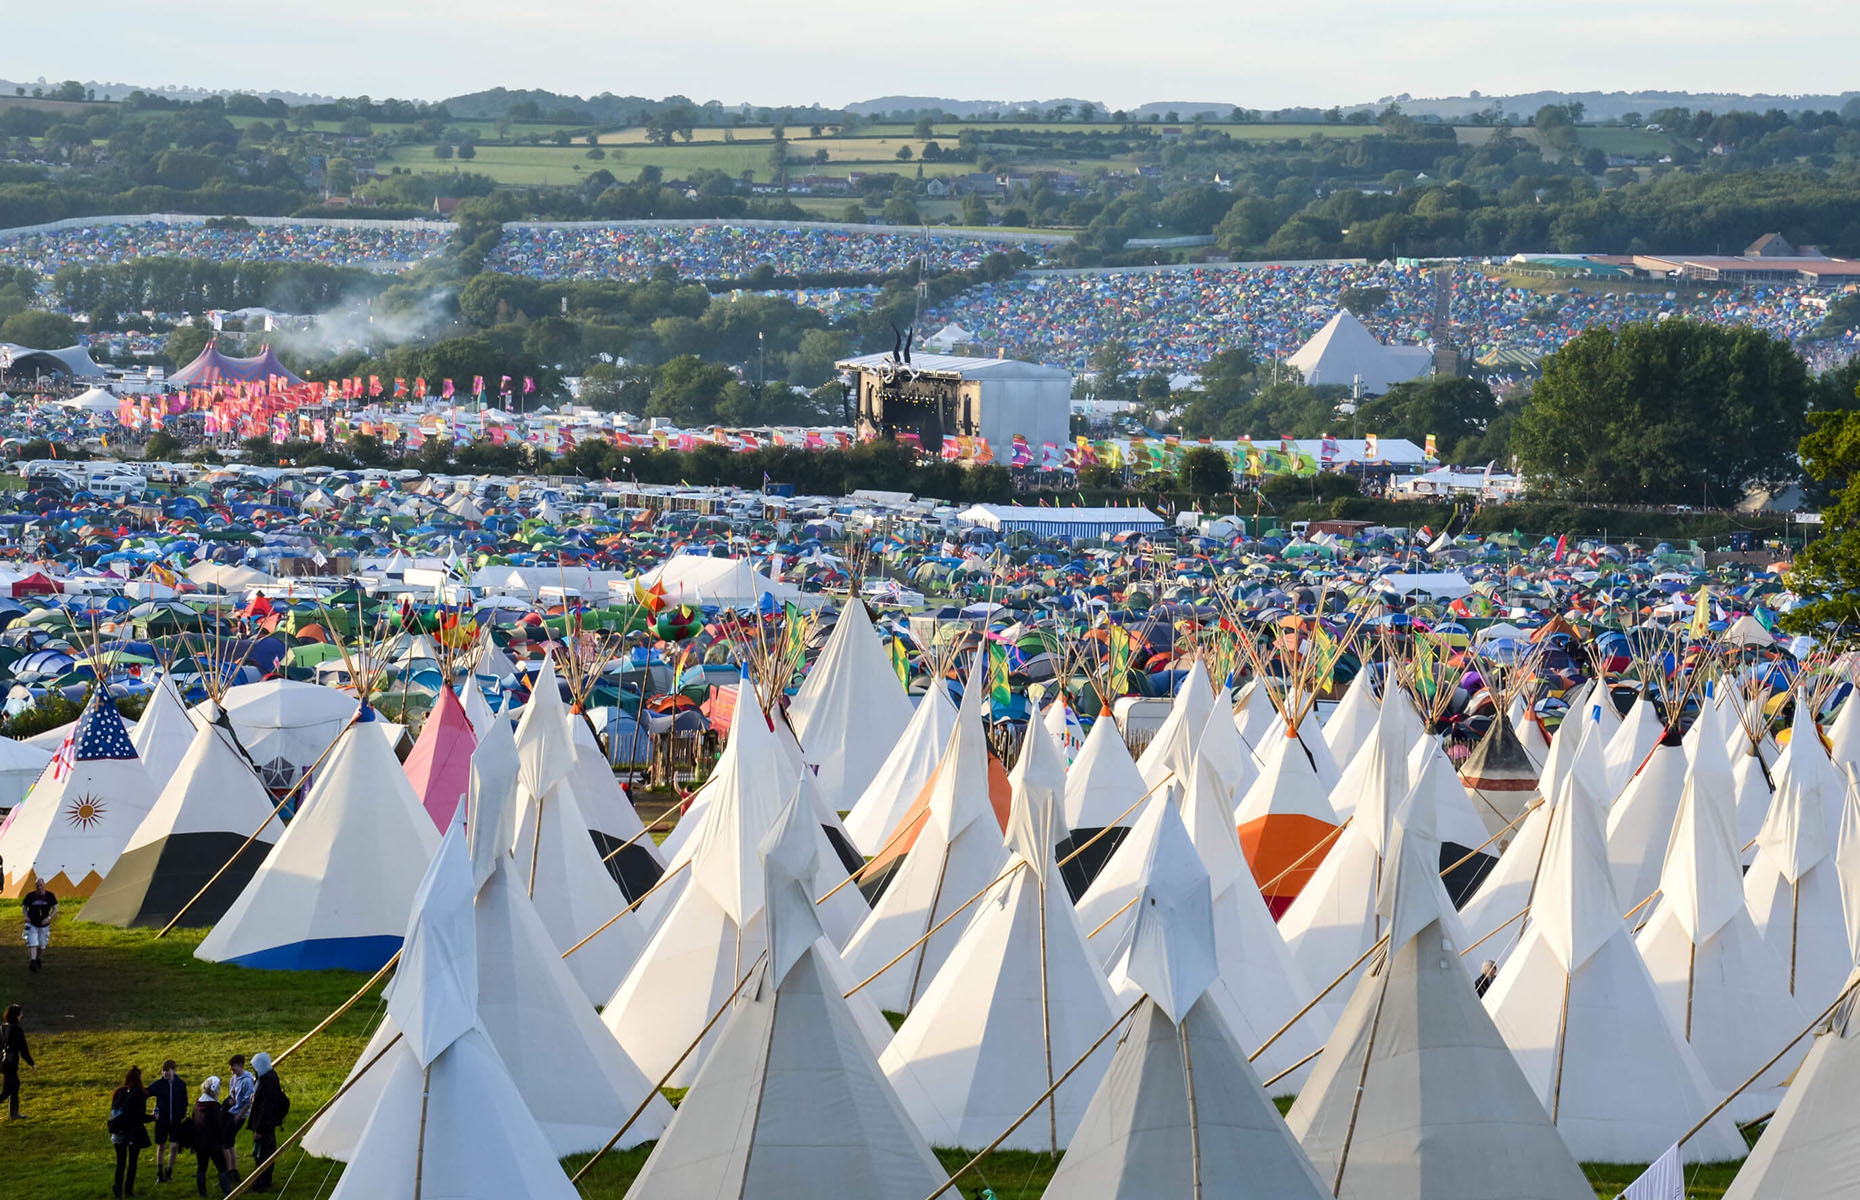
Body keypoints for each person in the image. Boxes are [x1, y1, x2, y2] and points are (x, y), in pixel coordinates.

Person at [110, 1065, 153, 1198]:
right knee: (132, 1162)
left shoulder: (118, 1092)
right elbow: (139, 1116)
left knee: (121, 1162)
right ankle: (129, 1189)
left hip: (119, 1130)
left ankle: (118, 1189)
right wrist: (152, 1117)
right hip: (133, 1131)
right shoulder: (139, 1094)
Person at [247, 1051, 286, 1193]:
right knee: (260, 1154)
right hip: (263, 1123)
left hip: (264, 1125)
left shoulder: (268, 1081)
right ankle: (260, 1181)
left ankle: (263, 1183)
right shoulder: (266, 1077)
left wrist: (258, 1129)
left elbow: (266, 1108)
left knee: (264, 1154)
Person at [190, 1077, 232, 1198]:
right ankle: (227, 1191)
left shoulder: (197, 1105)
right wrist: (222, 1142)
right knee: (222, 1167)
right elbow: (218, 1127)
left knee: (202, 1167)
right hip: (213, 1144)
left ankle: (202, 1192)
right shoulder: (213, 1107)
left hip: (199, 1142)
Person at [150, 1059, 188, 1184]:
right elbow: (147, 1092)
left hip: (175, 1121)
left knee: (174, 1146)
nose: (165, 1074)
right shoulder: (159, 1084)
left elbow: (184, 1101)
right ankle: (159, 1173)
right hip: (162, 1121)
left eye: (168, 1071)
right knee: (161, 1146)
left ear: (174, 1071)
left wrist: (181, 1114)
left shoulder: (180, 1085)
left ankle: (169, 1171)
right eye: (164, 1071)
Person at [0, 1002, 31, 1119]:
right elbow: (23, 1050)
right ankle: (13, 1114)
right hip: (10, 1063)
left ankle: (14, 1114)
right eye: (20, 1013)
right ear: (17, 1015)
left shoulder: (2, 1027)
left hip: (3, 1063)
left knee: (15, 1085)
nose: (21, 1015)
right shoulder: (17, 1030)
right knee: (7, 1090)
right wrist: (32, 1063)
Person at [223, 1053, 254, 1167]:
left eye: (233, 1066)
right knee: (227, 1141)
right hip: (232, 1111)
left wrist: (238, 1116)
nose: (231, 1069)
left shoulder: (247, 1081)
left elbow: (248, 1102)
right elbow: (232, 1094)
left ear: (240, 1065)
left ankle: (231, 1169)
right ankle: (232, 1169)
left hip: (239, 1114)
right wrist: (231, 1101)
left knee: (227, 1141)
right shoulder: (233, 1079)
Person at [21, 878, 56, 972]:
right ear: (35, 886)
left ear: (44, 885)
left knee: (41, 945)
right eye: (37, 885)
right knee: (32, 943)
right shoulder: (30, 896)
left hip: (44, 925)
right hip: (32, 923)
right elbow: (24, 907)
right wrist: (26, 916)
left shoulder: (50, 896)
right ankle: (32, 961)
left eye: (41, 885)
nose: (39, 887)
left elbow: (55, 909)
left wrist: (48, 918)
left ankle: (37, 958)